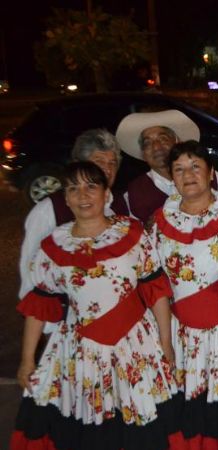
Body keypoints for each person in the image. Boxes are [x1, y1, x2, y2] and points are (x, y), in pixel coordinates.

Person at [11, 161, 182, 450]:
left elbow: (156, 293)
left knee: (138, 416)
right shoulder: (53, 246)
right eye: (73, 188)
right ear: (65, 198)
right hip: (81, 352)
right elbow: (40, 307)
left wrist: (166, 344)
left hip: (134, 348)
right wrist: (28, 359)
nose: (83, 195)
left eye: (91, 186)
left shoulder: (133, 233)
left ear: (106, 195)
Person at [150, 141, 218, 449]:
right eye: (179, 169)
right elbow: (155, 284)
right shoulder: (159, 224)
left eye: (195, 167)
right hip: (182, 333)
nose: (187, 175)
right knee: (187, 407)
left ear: (211, 172)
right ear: (171, 178)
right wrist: (164, 341)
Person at [19, 129, 130, 331]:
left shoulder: (121, 206)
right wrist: (48, 330)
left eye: (112, 163)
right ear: (79, 165)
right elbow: (31, 275)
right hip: (66, 325)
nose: (107, 169)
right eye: (99, 162)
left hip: (116, 323)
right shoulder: (50, 210)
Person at [115, 109, 218, 222]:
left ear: (177, 142)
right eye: (148, 143)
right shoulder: (133, 195)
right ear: (143, 154)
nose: (156, 147)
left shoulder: (211, 178)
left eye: (163, 139)